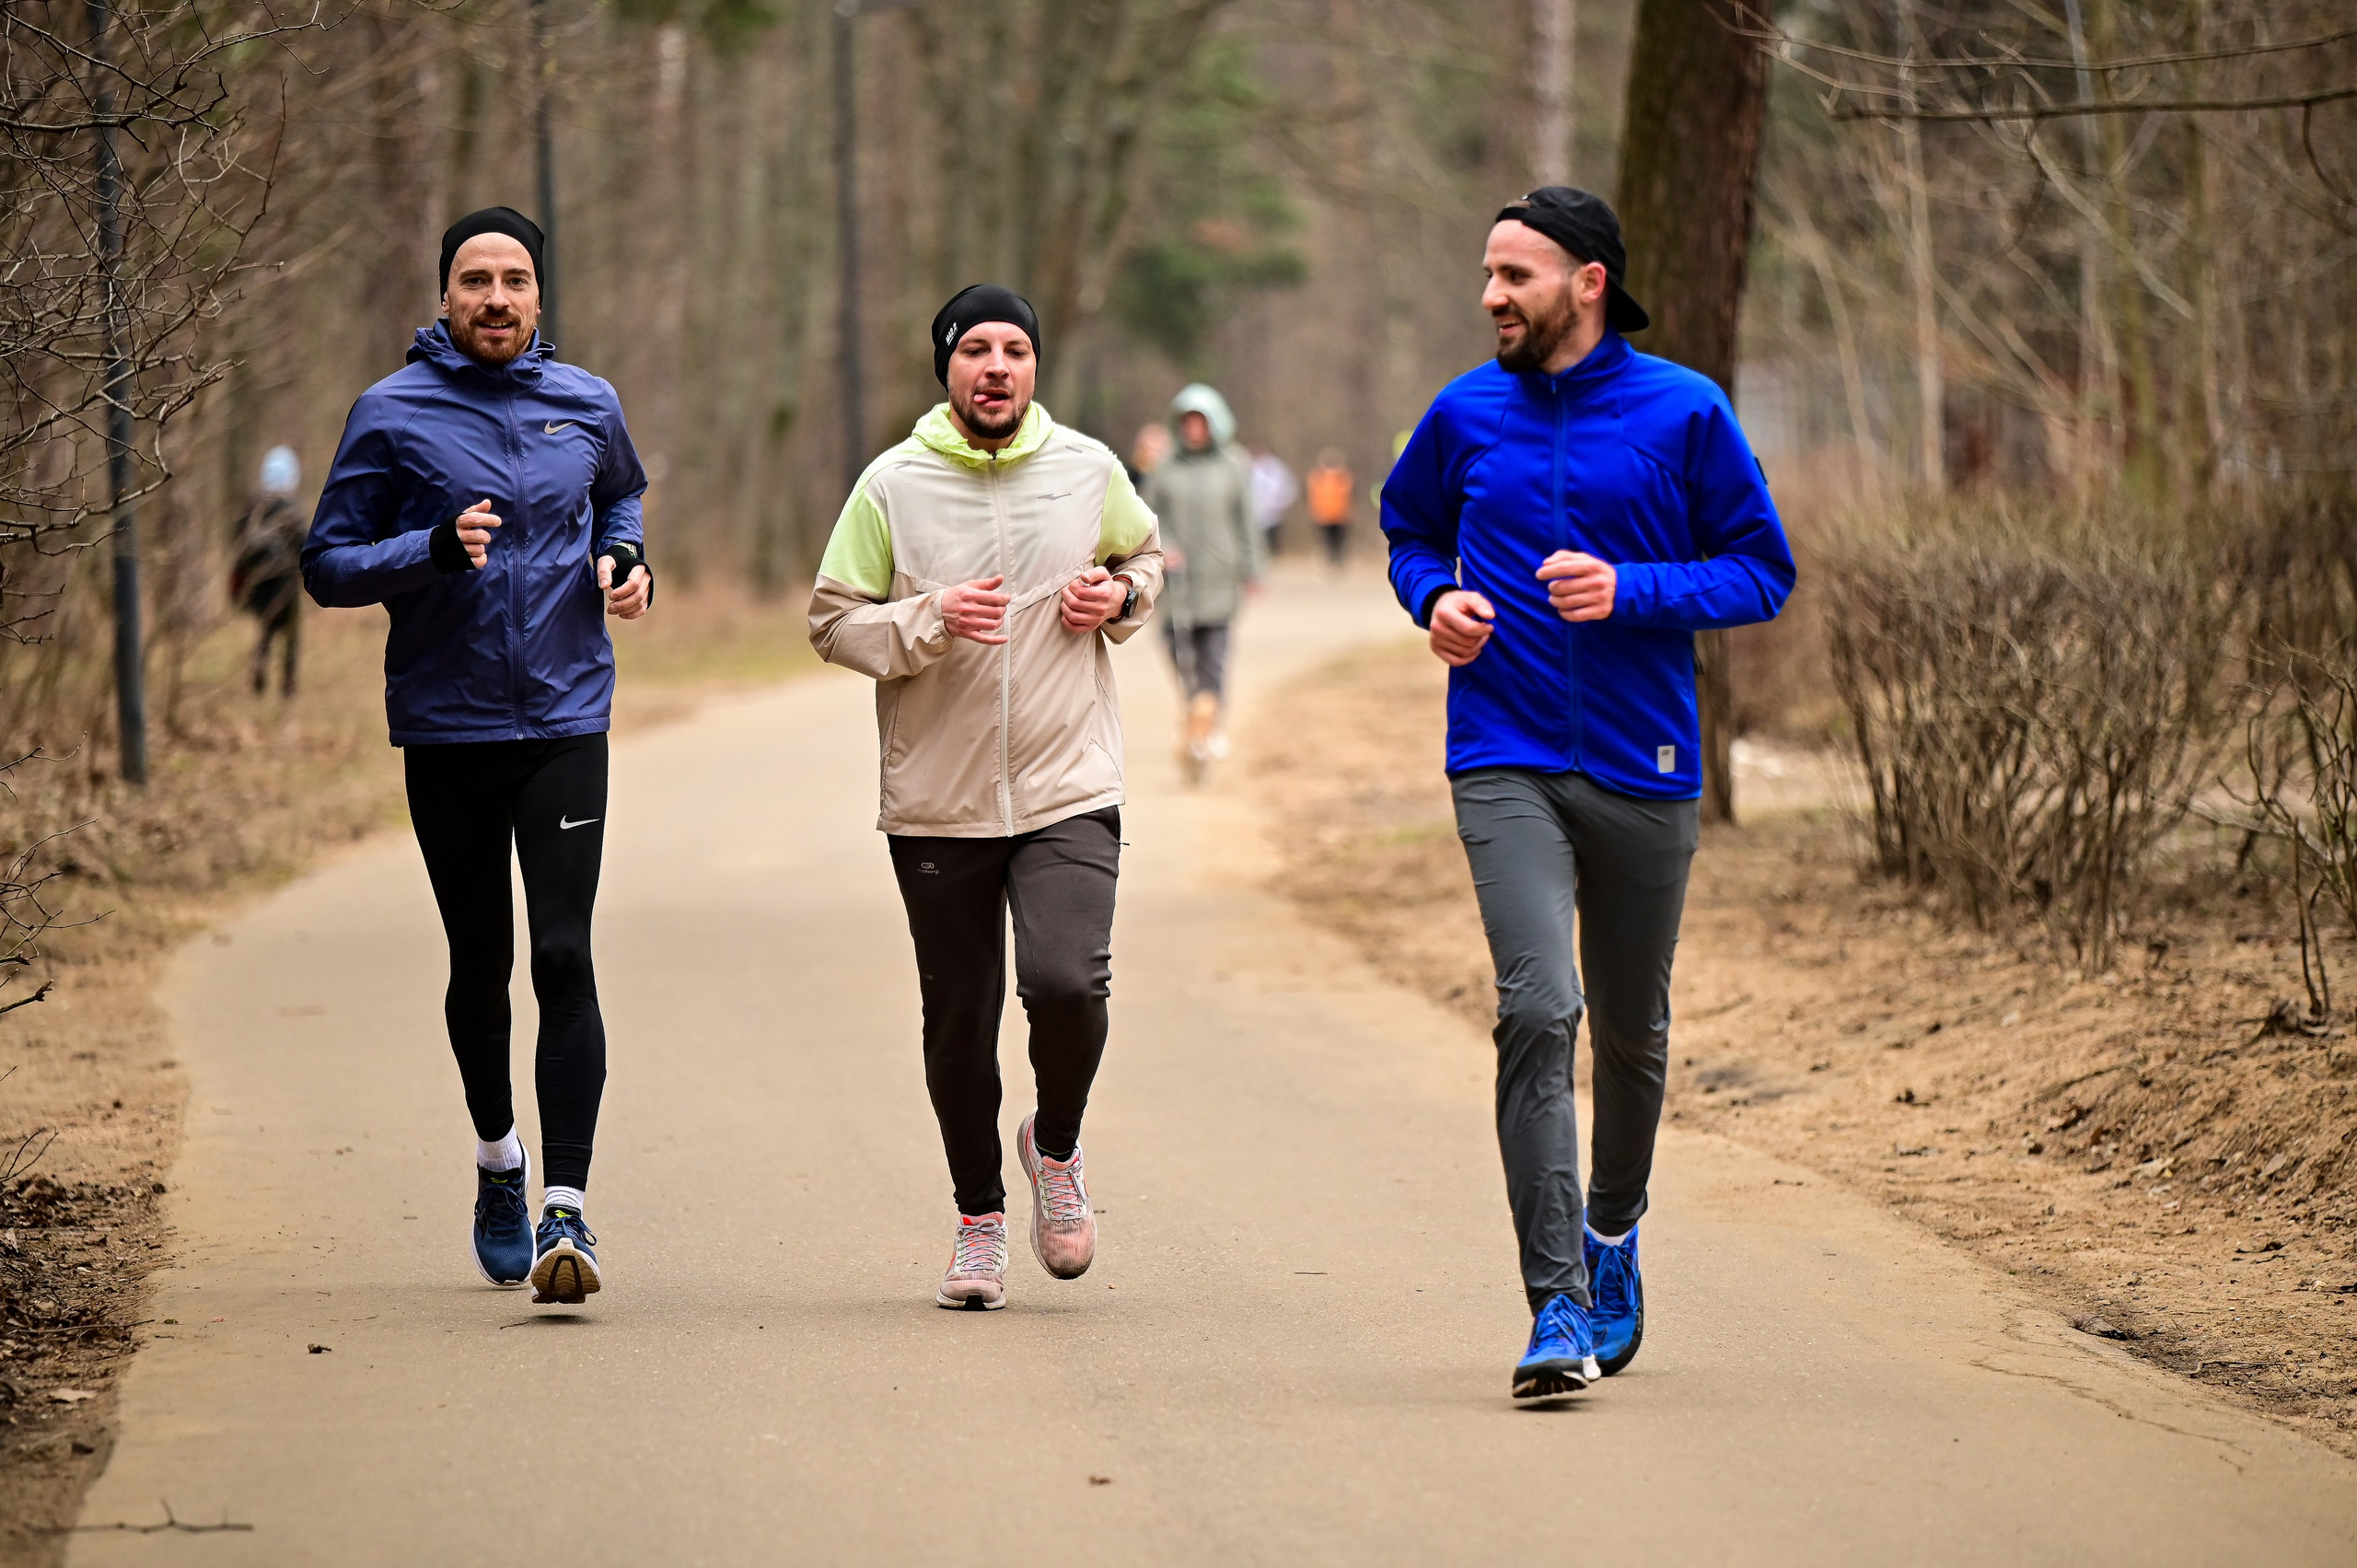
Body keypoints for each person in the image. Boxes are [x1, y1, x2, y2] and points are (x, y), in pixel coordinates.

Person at [1381, 187, 1794, 1400]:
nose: (1492, 295)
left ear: (1588, 282)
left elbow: (1761, 568)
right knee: (1536, 1008)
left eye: (1516, 275)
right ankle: (1555, 1300)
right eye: (1488, 274)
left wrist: (1634, 590)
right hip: (1502, 749)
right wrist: (1433, 598)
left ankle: (1613, 1228)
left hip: (1646, 762)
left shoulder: (1685, 410)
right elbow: (1407, 528)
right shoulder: (1464, 412)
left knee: (1632, 1028)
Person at [302, 206, 654, 1308]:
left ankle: (566, 1203)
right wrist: (432, 549)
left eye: (514, 279)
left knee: (563, 955)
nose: (495, 297)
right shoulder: (391, 410)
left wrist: (627, 557)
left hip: (564, 719)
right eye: (474, 281)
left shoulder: (585, 401)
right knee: (479, 963)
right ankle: (499, 1160)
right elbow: (326, 564)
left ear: (540, 297)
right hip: (448, 726)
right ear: (444, 298)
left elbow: (622, 494)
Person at [808, 285, 1164, 1312]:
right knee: (957, 1021)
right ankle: (977, 1220)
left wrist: (1122, 596)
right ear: (947, 369)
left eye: (1014, 348)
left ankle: (1053, 1146)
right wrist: (925, 619)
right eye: (975, 350)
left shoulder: (1088, 469)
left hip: (1068, 783)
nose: (996, 366)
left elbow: (1143, 560)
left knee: (1065, 983)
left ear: (1035, 367)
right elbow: (834, 622)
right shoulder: (892, 485)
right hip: (939, 800)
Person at [1142, 383, 1261, 784]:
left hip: (1220, 580)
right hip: (1175, 586)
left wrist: (1252, 569)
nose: (1194, 430)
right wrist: (1165, 548)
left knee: (1215, 657)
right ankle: (1197, 716)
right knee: (1179, 655)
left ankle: (1209, 725)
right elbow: (1145, 518)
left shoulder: (1233, 465)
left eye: (1201, 422)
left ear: (1214, 425)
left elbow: (1247, 520)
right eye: (1187, 422)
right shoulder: (1164, 469)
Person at [229, 445, 308, 696]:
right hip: (286, 584)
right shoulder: (291, 512)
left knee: (265, 630)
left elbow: (239, 549)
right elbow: (305, 548)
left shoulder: (251, 510)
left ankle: (261, 670)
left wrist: (239, 584)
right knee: (291, 634)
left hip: (260, 584)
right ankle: (288, 683)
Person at [1305, 447, 1354, 569]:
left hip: (1337, 515)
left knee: (1336, 541)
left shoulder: (1341, 477)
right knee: (1329, 541)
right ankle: (1331, 561)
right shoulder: (1320, 477)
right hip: (1327, 515)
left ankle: (1336, 561)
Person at [1248, 446, 1297, 558]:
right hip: (1253, 514)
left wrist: (1281, 504)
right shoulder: (1246, 466)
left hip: (1273, 513)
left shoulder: (1276, 468)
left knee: (1271, 542)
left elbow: (1287, 488)